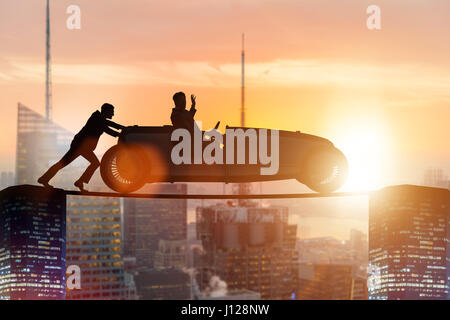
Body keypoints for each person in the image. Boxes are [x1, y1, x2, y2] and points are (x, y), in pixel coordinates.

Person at [37, 103, 125, 192]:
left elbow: (110, 124)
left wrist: (123, 128)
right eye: (112, 112)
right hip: (80, 146)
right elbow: (107, 129)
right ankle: (76, 181)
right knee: (90, 163)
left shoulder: (99, 118)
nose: (113, 114)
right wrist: (120, 133)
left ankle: (76, 181)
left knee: (67, 163)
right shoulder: (97, 118)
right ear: (106, 111)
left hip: (82, 146)